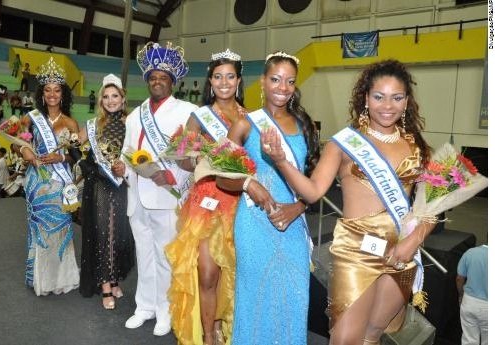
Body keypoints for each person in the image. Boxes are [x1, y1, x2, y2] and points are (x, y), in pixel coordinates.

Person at [261, 59, 435, 344]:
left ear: (407, 102)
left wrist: (413, 241)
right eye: (378, 97)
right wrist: (281, 161)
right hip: (356, 251)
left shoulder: (417, 145)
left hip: (401, 250)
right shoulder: (344, 142)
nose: (387, 105)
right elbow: (313, 191)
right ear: (366, 98)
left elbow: (433, 204)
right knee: (345, 339)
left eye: (397, 97)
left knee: (373, 335)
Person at [215, 51, 320, 344]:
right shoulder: (244, 125)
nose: (282, 87)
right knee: (255, 296)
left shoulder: (305, 126)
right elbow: (222, 177)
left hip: (292, 224)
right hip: (253, 223)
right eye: (275, 79)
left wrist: (297, 208)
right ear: (263, 81)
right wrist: (250, 184)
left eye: (289, 81)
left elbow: (314, 185)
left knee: (294, 295)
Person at [111, 41, 197, 336]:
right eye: (152, 77)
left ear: (172, 81)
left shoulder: (188, 111)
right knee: (143, 254)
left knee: (164, 257)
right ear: (147, 80)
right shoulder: (135, 115)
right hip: (137, 195)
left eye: (163, 77)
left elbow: (194, 157)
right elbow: (126, 151)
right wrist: (122, 169)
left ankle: (166, 310)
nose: (157, 81)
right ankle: (144, 306)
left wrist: (174, 177)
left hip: (167, 195)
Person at [165, 49, 247, 345]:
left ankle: (233, 330)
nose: (223, 82)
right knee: (208, 273)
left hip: (240, 203)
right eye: (217, 77)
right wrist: (194, 154)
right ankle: (209, 335)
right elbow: (184, 162)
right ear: (210, 82)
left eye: (230, 76)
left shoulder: (250, 117)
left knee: (236, 273)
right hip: (206, 202)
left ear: (238, 81)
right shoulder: (198, 117)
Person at [18, 56, 81, 296]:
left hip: (60, 183)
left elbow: (77, 156)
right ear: (42, 94)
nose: (52, 94)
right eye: (48, 90)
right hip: (37, 181)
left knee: (62, 227)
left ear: (62, 94)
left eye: (57, 90)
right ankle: (41, 278)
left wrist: (61, 158)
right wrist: (25, 151)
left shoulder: (71, 123)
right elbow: (19, 143)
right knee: (39, 227)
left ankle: (61, 276)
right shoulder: (31, 118)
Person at [77, 74, 135, 310]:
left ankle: (114, 278)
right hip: (100, 186)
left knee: (119, 235)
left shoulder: (131, 124)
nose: (111, 101)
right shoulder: (91, 126)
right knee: (103, 235)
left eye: (115, 96)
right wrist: (89, 169)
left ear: (123, 99)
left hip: (122, 186)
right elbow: (75, 149)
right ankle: (105, 287)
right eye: (106, 97)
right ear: (101, 101)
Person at [456, 245, 488, 345]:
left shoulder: (471, 252)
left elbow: (459, 279)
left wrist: (461, 295)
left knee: (469, 339)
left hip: (469, 302)